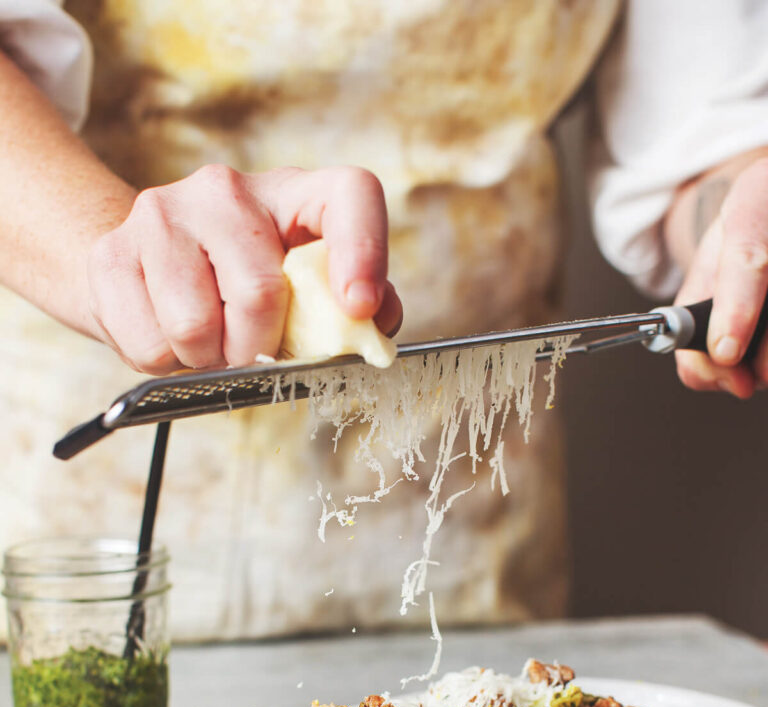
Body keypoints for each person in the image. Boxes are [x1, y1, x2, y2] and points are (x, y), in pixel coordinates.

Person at [0, 1, 766, 643]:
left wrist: (742, 235)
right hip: (87, 556)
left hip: (459, 529)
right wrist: (111, 249)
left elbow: (700, 137)